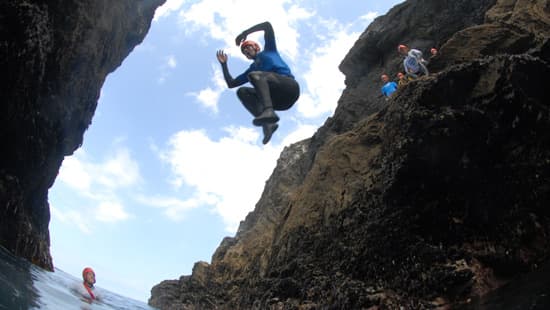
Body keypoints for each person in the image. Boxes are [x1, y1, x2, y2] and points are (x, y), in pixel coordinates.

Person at [216, 21, 300, 144]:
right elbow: (231, 84)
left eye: (248, 48)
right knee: (242, 91)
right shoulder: (252, 68)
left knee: (255, 76)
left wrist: (245, 33)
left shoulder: (269, 50)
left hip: (289, 87)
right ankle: (268, 124)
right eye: (244, 52)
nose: (247, 51)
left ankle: (269, 111)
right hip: (279, 102)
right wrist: (224, 65)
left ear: (256, 47)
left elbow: (267, 26)